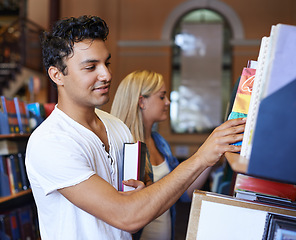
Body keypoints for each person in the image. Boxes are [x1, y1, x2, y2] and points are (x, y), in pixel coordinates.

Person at [25, 15, 246, 240]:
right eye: (91, 67)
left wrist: (144, 191)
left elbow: (141, 197)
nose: (107, 75)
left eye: (106, 63)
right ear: (57, 75)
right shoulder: (50, 142)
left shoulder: (118, 127)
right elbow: (128, 216)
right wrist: (201, 157)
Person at [111, 70, 214, 240]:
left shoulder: (159, 142)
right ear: (142, 101)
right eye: (162, 96)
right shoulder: (122, 147)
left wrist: (209, 159)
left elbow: (183, 192)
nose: (168, 102)